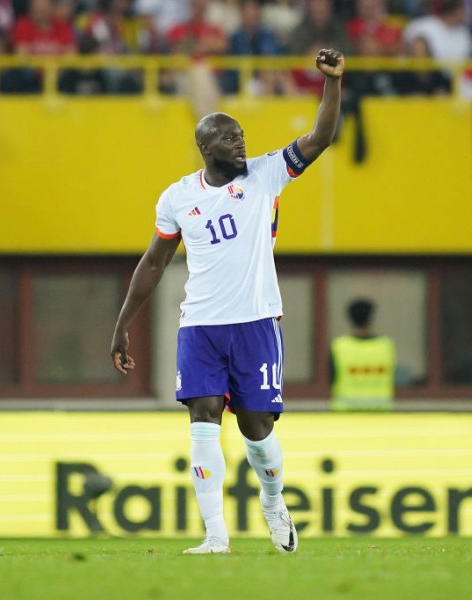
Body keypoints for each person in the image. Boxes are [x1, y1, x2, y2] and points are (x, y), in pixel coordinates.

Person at [110, 48, 345, 555]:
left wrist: (332, 83)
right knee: (203, 420)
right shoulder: (177, 198)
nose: (241, 142)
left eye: (242, 135)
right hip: (200, 326)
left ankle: (273, 499)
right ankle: (215, 535)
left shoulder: (266, 174)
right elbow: (153, 263)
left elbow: (321, 137)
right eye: (229, 136)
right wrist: (123, 323)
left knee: (257, 432)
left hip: (256, 322)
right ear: (205, 146)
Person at [330, 299, 396, 412]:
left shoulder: (339, 346)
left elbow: (331, 377)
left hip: (346, 413)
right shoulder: (386, 346)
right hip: (380, 412)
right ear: (371, 318)